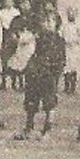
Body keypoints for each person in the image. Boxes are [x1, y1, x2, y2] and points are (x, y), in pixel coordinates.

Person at [16, 12, 66, 140]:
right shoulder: (38, 39)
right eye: (45, 21)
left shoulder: (59, 40)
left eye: (51, 21)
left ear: (56, 24)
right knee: (31, 100)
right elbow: (33, 53)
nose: (47, 24)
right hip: (35, 73)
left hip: (49, 74)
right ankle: (29, 127)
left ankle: (47, 128)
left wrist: (55, 73)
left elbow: (61, 59)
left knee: (49, 102)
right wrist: (31, 66)